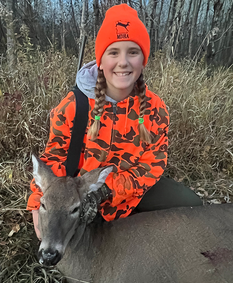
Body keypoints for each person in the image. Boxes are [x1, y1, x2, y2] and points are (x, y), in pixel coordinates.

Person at [27, 4, 202, 239]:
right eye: (113, 52)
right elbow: (54, 158)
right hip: (80, 193)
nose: (123, 62)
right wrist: (40, 203)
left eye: (132, 52)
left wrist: (108, 191)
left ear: (143, 59)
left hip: (129, 190)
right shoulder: (74, 105)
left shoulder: (155, 109)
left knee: (191, 205)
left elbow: (153, 164)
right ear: (100, 60)